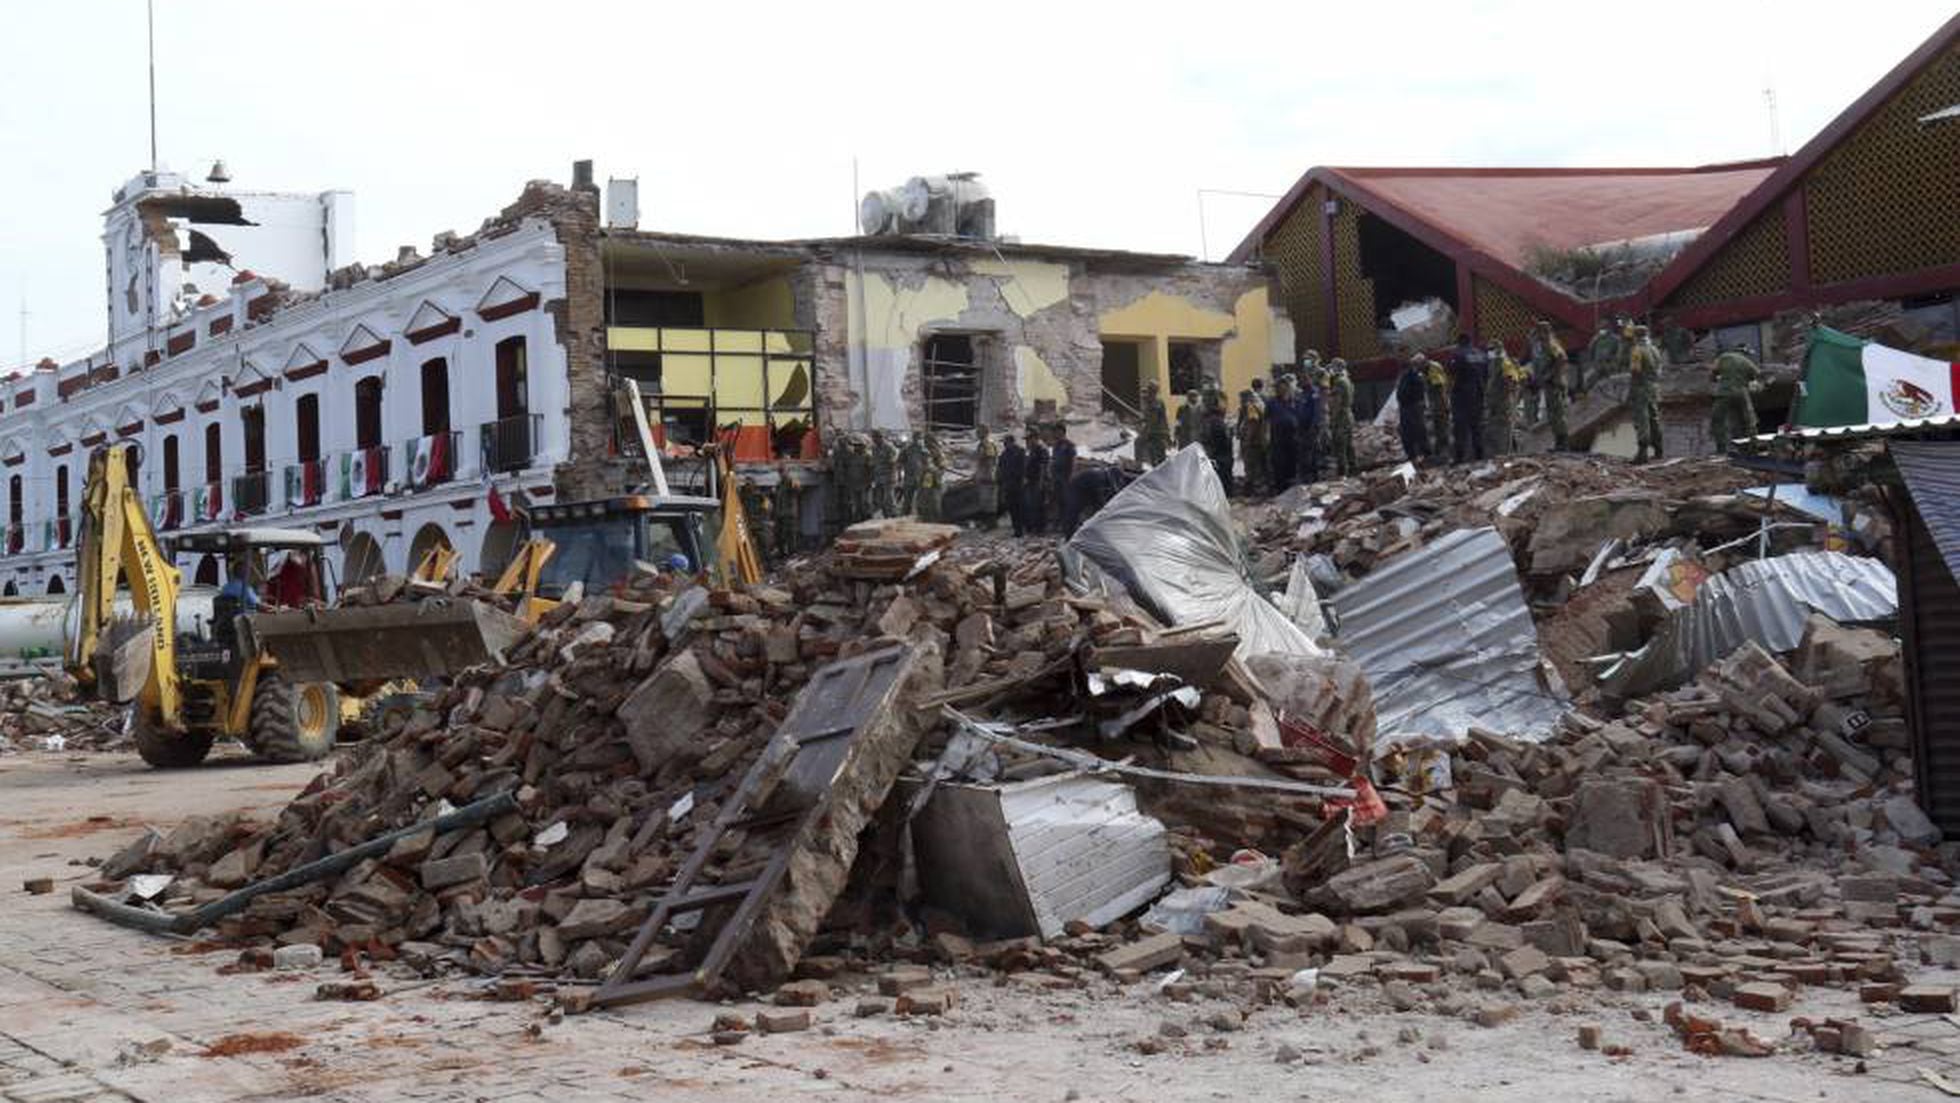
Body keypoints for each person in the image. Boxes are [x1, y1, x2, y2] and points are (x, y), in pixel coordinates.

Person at [1709, 343, 1762, 454]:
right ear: (1745, 353)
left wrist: (1718, 379)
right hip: (1741, 393)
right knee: (1749, 421)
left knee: (1718, 420)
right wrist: (1757, 387)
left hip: (1724, 393)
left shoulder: (1724, 357)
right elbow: (1759, 377)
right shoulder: (1747, 362)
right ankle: (1753, 447)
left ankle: (1721, 449)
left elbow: (1712, 375)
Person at [1062, 461, 1136, 536]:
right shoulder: (1100, 477)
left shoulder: (1104, 476)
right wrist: (1106, 509)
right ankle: (1069, 535)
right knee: (1073, 512)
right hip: (1076, 488)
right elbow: (1099, 497)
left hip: (1087, 489)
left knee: (1095, 511)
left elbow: (1100, 498)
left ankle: (1088, 530)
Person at [1628, 324, 1666, 463]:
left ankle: (1642, 453)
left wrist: (1633, 386)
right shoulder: (1655, 349)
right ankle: (1659, 450)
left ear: (1635, 336)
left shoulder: (1637, 350)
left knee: (1641, 419)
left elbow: (1635, 370)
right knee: (1654, 418)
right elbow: (1660, 368)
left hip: (1641, 388)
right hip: (1654, 387)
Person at [1530, 320, 1570, 451]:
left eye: (1539, 332)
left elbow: (1562, 359)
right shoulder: (1541, 346)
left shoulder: (1551, 344)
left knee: (1558, 413)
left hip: (1555, 384)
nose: (1537, 335)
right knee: (1552, 415)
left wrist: (1553, 375)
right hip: (1548, 384)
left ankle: (1563, 443)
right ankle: (1558, 442)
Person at [1450, 334, 1488, 464]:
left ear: (1460, 342)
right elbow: (1487, 374)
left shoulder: (1458, 354)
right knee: (1476, 425)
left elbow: (1451, 370)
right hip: (1478, 393)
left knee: (1460, 427)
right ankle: (1479, 455)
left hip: (1462, 394)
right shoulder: (1482, 354)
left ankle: (1459, 457)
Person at [1484, 340, 1519, 456]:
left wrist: (1509, 396)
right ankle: (1500, 452)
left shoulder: (1504, 362)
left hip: (1503, 402)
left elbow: (1511, 380)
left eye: (1492, 349)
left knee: (1505, 427)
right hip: (1495, 401)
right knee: (1496, 427)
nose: (1490, 352)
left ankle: (1505, 453)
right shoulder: (1493, 363)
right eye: (1489, 350)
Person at [1395, 354, 1431, 464]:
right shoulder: (1407, 375)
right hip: (1406, 407)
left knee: (1418, 431)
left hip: (1413, 406)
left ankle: (1424, 454)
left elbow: (1418, 392)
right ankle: (1413, 455)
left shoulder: (1415, 375)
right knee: (1407, 432)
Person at [1267, 375, 1300, 490]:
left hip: (1292, 436)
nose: (1281, 389)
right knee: (1278, 463)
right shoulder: (1271, 402)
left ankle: (1290, 486)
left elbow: (1300, 415)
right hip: (1277, 437)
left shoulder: (1294, 400)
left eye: (1284, 387)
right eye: (1279, 387)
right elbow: (1266, 420)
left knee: (1292, 462)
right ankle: (1279, 487)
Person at [1326, 360, 1357, 476]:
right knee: (1349, 444)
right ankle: (1353, 469)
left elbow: (1336, 403)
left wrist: (1332, 419)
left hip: (1341, 417)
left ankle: (1343, 473)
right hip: (1348, 414)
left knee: (1340, 446)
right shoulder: (1347, 380)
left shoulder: (1339, 382)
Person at [1237, 385, 1269, 496]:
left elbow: (1253, 424)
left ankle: (1252, 491)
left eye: (1241, 398)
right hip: (1259, 441)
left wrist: (1247, 440)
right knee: (1259, 466)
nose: (1240, 401)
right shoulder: (1259, 403)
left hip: (1253, 442)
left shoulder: (1251, 406)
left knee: (1251, 467)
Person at [1201, 390, 1234, 493]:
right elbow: (1220, 436)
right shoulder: (1215, 419)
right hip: (1219, 452)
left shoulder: (1213, 418)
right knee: (1222, 472)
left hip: (1218, 451)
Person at [997, 433, 1028, 536]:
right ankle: (1017, 530)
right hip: (1009, 484)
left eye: (1006, 442)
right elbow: (1000, 468)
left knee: (1019, 507)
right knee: (1013, 508)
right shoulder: (1005, 454)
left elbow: (1024, 468)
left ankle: (1021, 529)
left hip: (1017, 483)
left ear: (1011, 442)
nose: (1005, 444)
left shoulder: (1019, 452)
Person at [1297, 367, 1325, 483]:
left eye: (1305, 379)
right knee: (1304, 453)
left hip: (1311, 428)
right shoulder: (1301, 393)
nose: (1303, 381)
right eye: (1302, 379)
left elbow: (1317, 412)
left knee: (1312, 453)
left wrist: (1313, 427)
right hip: (1302, 428)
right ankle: (1306, 476)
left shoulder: (1314, 393)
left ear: (1310, 379)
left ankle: (1314, 476)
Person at [972, 424, 1002, 529]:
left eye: (979, 431)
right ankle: (986, 522)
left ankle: (992, 524)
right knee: (983, 501)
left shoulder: (988, 445)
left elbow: (990, 460)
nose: (977, 433)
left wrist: (989, 475)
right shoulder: (981, 445)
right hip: (982, 476)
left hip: (988, 477)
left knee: (989, 501)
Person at [1424, 355, 1453, 461]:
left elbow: (1439, 388)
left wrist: (1445, 404)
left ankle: (1445, 454)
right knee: (1438, 428)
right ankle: (1440, 452)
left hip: (1439, 405)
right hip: (1436, 404)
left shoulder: (1432, 369)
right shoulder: (1431, 367)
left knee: (1442, 428)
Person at [840, 434, 873, 524]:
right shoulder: (850, 457)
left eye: (858, 446)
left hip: (864, 484)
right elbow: (845, 468)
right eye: (855, 446)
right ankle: (855, 521)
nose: (856, 448)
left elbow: (870, 470)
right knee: (854, 505)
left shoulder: (867, 456)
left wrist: (869, 482)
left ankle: (866, 520)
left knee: (864, 504)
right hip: (853, 484)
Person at [1023, 428, 1050, 534]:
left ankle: (1040, 529)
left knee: (1039, 505)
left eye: (1028, 439)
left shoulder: (1041, 448)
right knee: (1032, 505)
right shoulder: (1033, 450)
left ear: (1035, 438)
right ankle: (1034, 527)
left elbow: (1043, 467)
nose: (1027, 442)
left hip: (1038, 482)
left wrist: (1041, 483)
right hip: (1031, 482)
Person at [869, 429, 899, 517]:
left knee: (889, 498)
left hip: (888, 477)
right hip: (878, 477)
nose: (874, 440)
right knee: (880, 499)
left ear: (880, 437)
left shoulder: (889, 447)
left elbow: (893, 462)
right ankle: (886, 515)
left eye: (876, 437)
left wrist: (893, 475)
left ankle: (893, 515)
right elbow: (874, 462)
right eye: (873, 438)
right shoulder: (874, 448)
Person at [1140, 379, 1171, 466]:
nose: (1151, 392)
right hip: (1149, 433)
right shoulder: (1146, 402)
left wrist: (1167, 434)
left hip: (1159, 433)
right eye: (1150, 389)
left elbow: (1163, 418)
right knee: (1151, 457)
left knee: (1161, 457)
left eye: (1153, 390)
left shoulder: (1159, 402)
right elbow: (1145, 417)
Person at [916, 432, 945, 521]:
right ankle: (924, 519)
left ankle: (935, 521)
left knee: (934, 504)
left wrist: (932, 469)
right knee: (922, 501)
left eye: (927, 441)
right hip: (926, 480)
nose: (925, 443)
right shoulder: (925, 452)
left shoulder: (938, 453)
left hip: (934, 481)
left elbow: (942, 468)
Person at [897, 433, 926, 514]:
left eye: (919, 438)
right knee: (907, 499)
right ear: (913, 439)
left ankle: (920, 516)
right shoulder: (907, 450)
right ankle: (905, 515)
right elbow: (899, 463)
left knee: (921, 499)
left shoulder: (924, 450)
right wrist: (899, 476)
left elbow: (928, 464)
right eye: (916, 438)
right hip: (909, 478)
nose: (918, 440)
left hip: (921, 478)